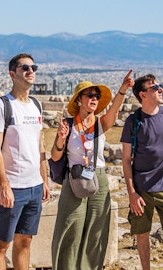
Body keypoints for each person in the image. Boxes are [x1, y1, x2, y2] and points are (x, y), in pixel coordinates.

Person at [50, 70, 134, 270]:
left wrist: (123, 89)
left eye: (97, 96)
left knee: (97, 228)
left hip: (98, 176)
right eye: (90, 95)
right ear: (79, 100)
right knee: (70, 225)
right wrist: (61, 139)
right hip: (75, 177)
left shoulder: (101, 123)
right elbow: (54, 156)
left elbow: (114, 109)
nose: (95, 99)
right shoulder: (68, 125)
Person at [0, 53, 50, 270]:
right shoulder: (2, 106)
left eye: (33, 67)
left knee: (25, 241)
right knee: (1, 244)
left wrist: (45, 179)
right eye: (25, 68)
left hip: (34, 186)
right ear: (13, 74)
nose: (31, 71)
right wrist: (4, 184)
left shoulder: (36, 105)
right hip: (11, 186)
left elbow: (39, 144)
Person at [120, 74, 163, 270]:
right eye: (155, 87)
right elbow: (126, 159)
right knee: (142, 234)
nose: (160, 90)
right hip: (141, 189)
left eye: (159, 86)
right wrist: (131, 192)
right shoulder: (133, 121)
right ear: (143, 95)